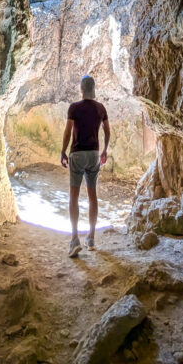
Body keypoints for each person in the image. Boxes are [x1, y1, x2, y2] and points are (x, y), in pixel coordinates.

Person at [60, 74, 110, 257]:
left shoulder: (74, 108)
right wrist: (104, 150)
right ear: (93, 88)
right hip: (94, 154)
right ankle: (91, 238)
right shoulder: (101, 108)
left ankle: (74, 240)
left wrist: (63, 151)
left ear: (81, 89)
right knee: (92, 196)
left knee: (73, 196)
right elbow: (107, 131)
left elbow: (67, 133)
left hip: (78, 154)